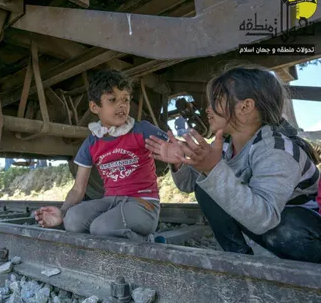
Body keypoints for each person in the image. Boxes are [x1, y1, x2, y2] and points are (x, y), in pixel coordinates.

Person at [145, 65, 321, 263]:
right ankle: (239, 261)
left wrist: (213, 169)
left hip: (302, 234)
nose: (207, 109)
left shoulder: (277, 150)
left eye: (216, 101)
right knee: (209, 187)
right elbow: (190, 185)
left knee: (286, 226)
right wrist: (179, 162)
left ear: (245, 107)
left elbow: (264, 218)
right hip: (267, 228)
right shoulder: (226, 145)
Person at [34, 70, 168, 242]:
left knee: (101, 228)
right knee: (72, 221)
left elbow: (172, 146)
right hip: (111, 201)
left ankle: (148, 241)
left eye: (125, 99)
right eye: (112, 100)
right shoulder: (92, 143)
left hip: (143, 204)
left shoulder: (142, 130)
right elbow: (78, 189)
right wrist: (63, 212)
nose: (122, 105)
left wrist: (173, 151)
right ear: (94, 107)